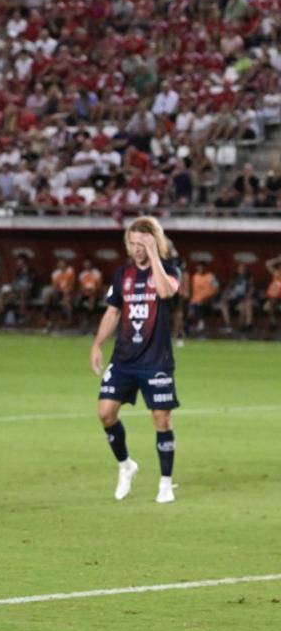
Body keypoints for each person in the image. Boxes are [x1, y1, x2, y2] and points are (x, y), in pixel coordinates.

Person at [89, 216, 181, 504]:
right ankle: (126, 465)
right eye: (132, 243)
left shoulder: (169, 270)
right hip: (125, 359)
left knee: (161, 418)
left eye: (141, 243)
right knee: (105, 413)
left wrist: (155, 254)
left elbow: (166, 292)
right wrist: (97, 344)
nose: (136, 248)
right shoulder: (122, 275)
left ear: (153, 241)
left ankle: (165, 483)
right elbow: (113, 312)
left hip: (156, 361)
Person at [218, 262, 255, 334]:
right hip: (234, 297)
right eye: (240, 268)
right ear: (237, 269)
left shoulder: (249, 277)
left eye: (243, 268)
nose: (242, 269)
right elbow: (229, 287)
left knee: (245, 305)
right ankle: (228, 324)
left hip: (244, 297)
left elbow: (251, 288)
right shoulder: (235, 277)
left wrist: (248, 295)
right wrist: (226, 295)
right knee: (223, 304)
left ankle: (246, 325)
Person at [186, 258, 219, 334]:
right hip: (195, 301)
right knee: (190, 309)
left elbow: (217, 289)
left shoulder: (211, 276)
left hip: (208, 300)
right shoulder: (195, 277)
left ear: (205, 268)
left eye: (201, 267)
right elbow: (191, 290)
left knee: (200, 304)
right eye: (198, 267)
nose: (200, 269)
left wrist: (209, 298)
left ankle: (201, 325)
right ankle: (187, 328)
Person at [44, 257, 76, 330]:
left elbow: (72, 284)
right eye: (60, 263)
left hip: (69, 292)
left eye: (63, 263)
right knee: (48, 297)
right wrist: (57, 293)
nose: (61, 265)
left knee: (66, 300)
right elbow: (54, 287)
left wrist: (67, 292)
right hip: (59, 292)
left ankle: (68, 321)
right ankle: (48, 321)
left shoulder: (70, 271)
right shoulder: (55, 273)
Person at [76, 258, 104, 329]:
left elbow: (99, 286)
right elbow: (81, 287)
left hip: (95, 293)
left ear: (91, 264)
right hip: (85, 294)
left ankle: (90, 323)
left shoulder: (96, 273)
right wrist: (85, 292)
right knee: (78, 302)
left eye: (88, 263)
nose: (87, 265)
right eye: (86, 264)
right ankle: (83, 322)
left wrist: (92, 292)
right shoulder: (82, 274)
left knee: (92, 301)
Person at [263, 255, 281, 333]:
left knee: (270, 304)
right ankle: (272, 323)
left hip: (278, 299)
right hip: (272, 298)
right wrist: (277, 259)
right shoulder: (276, 273)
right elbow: (267, 263)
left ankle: (273, 323)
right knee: (268, 306)